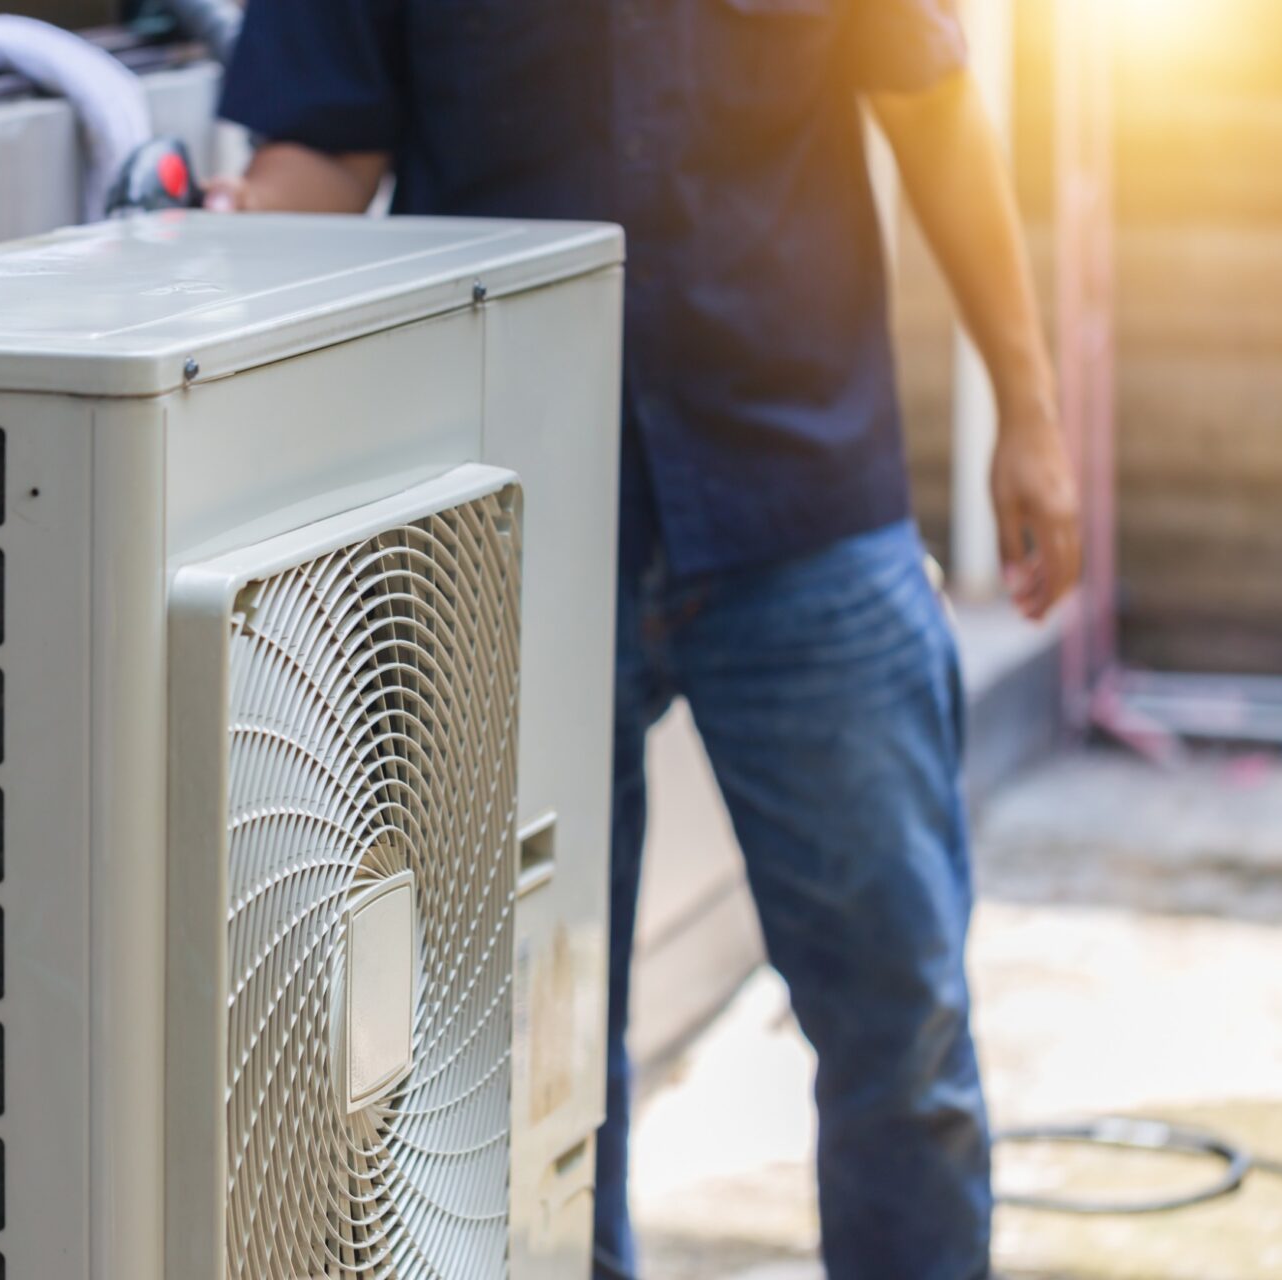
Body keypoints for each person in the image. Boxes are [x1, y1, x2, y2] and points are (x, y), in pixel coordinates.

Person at [211, 1, 1079, 1275]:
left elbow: (933, 102)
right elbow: (329, 157)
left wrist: (1031, 409)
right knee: (523, 1053)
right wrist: (183, 263)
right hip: (518, 515)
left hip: (802, 495)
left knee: (904, 1016)